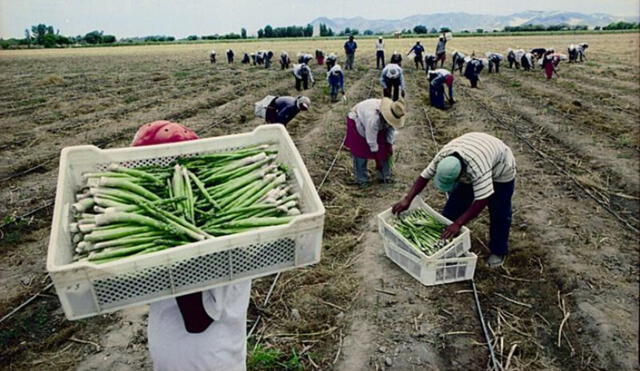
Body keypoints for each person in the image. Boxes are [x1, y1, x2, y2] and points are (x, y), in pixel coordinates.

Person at [132, 121, 252, 371]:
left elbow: (197, 320)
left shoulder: (212, 237)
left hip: (204, 361)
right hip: (180, 353)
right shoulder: (189, 219)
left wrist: (175, 248)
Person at [391, 132, 516, 268]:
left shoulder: (477, 169)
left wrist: (459, 223)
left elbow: (482, 200)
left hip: (501, 168)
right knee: (455, 205)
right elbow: (424, 177)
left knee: (499, 211)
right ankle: (446, 245)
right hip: (475, 151)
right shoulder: (443, 157)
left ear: (462, 174)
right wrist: (407, 199)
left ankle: (498, 250)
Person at [344, 98, 406, 185]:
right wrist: (378, 162)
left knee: (384, 149)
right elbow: (371, 141)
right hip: (358, 119)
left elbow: (390, 131)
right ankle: (361, 179)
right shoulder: (373, 119)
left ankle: (385, 176)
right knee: (360, 151)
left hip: (374, 122)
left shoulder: (393, 113)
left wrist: (389, 146)